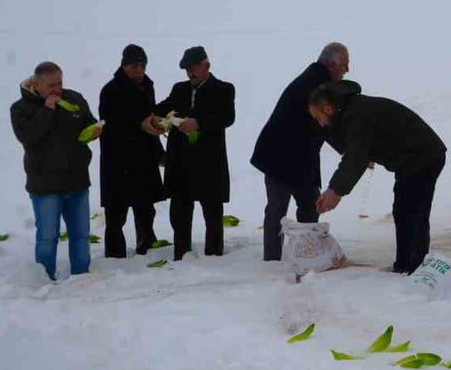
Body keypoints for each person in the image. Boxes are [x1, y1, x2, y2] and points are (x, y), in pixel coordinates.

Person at [310, 80, 446, 274]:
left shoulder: (356, 113)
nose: (319, 122)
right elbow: (356, 150)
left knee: (414, 211)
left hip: (424, 156)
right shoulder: (351, 111)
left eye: (318, 116)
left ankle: (415, 269)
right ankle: (405, 265)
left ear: (328, 109)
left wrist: (336, 191)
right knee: (403, 210)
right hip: (411, 160)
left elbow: (355, 157)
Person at [250, 42, 350, 261]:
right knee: (279, 209)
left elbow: (325, 126)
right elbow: (328, 126)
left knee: (307, 205)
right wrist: (349, 149)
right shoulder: (317, 85)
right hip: (280, 156)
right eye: (345, 64)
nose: (347, 70)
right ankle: (275, 260)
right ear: (332, 64)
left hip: (299, 157)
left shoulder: (317, 80)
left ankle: (306, 255)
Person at [10, 61, 101, 280]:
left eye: (59, 83)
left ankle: (81, 275)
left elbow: (88, 122)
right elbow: (28, 137)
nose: (57, 89)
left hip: (77, 181)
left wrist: (94, 130)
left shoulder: (75, 99)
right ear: (37, 85)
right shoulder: (21, 108)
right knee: (47, 236)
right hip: (45, 186)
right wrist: (48, 109)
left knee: (80, 235)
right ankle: (44, 277)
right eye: (51, 85)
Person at [147, 46, 236, 260]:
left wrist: (198, 123)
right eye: (187, 70)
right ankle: (182, 253)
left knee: (212, 211)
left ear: (206, 66)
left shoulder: (224, 89)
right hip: (180, 162)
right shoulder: (180, 89)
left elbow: (227, 117)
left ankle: (214, 254)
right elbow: (163, 108)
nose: (190, 74)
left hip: (209, 161)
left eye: (193, 68)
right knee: (180, 212)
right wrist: (157, 119)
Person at [98, 44, 165, 258]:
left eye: (143, 66)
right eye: (135, 66)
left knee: (146, 208)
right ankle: (115, 254)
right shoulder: (111, 90)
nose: (139, 70)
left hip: (144, 156)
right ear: (124, 66)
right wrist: (140, 124)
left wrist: (158, 148)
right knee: (116, 213)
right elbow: (110, 124)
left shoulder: (147, 86)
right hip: (117, 158)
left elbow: (150, 115)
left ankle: (146, 244)